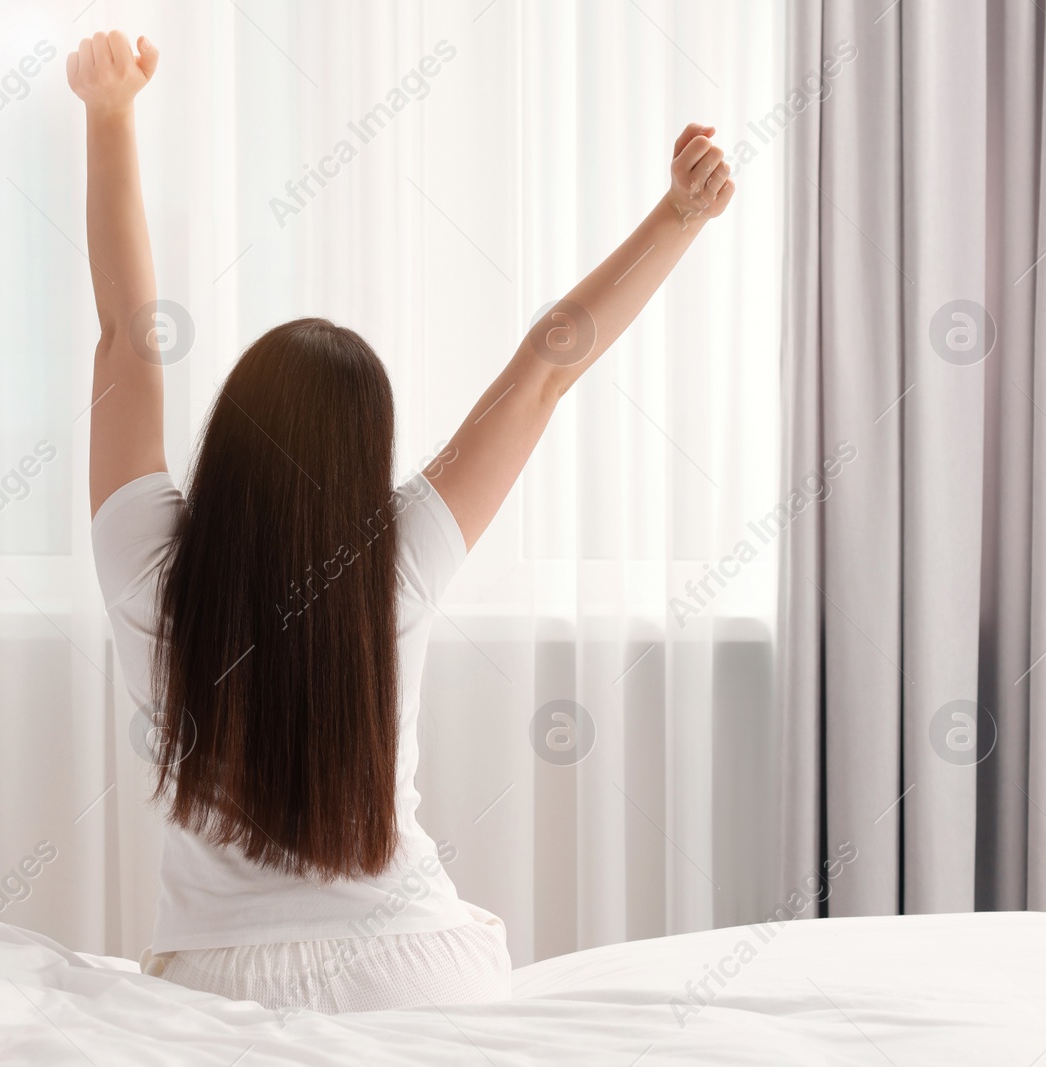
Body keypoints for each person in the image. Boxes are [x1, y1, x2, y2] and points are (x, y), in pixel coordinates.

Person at [68, 29, 733, 1014]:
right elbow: (544, 372)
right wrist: (678, 216)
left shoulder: (146, 565)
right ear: (362, 463)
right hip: (417, 971)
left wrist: (109, 113)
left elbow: (126, 329)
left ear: (230, 441)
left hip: (215, 990)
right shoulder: (399, 559)